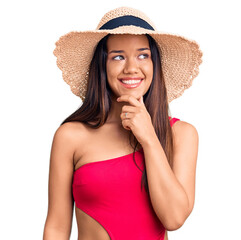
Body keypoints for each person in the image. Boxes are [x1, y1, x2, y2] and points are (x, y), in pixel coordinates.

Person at [43, 7, 202, 240]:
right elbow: (56, 227)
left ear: (154, 64)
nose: (131, 68)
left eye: (142, 55)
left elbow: (174, 217)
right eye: (117, 56)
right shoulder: (71, 136)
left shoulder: (181, 134)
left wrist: (148, 137)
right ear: (102, 66)